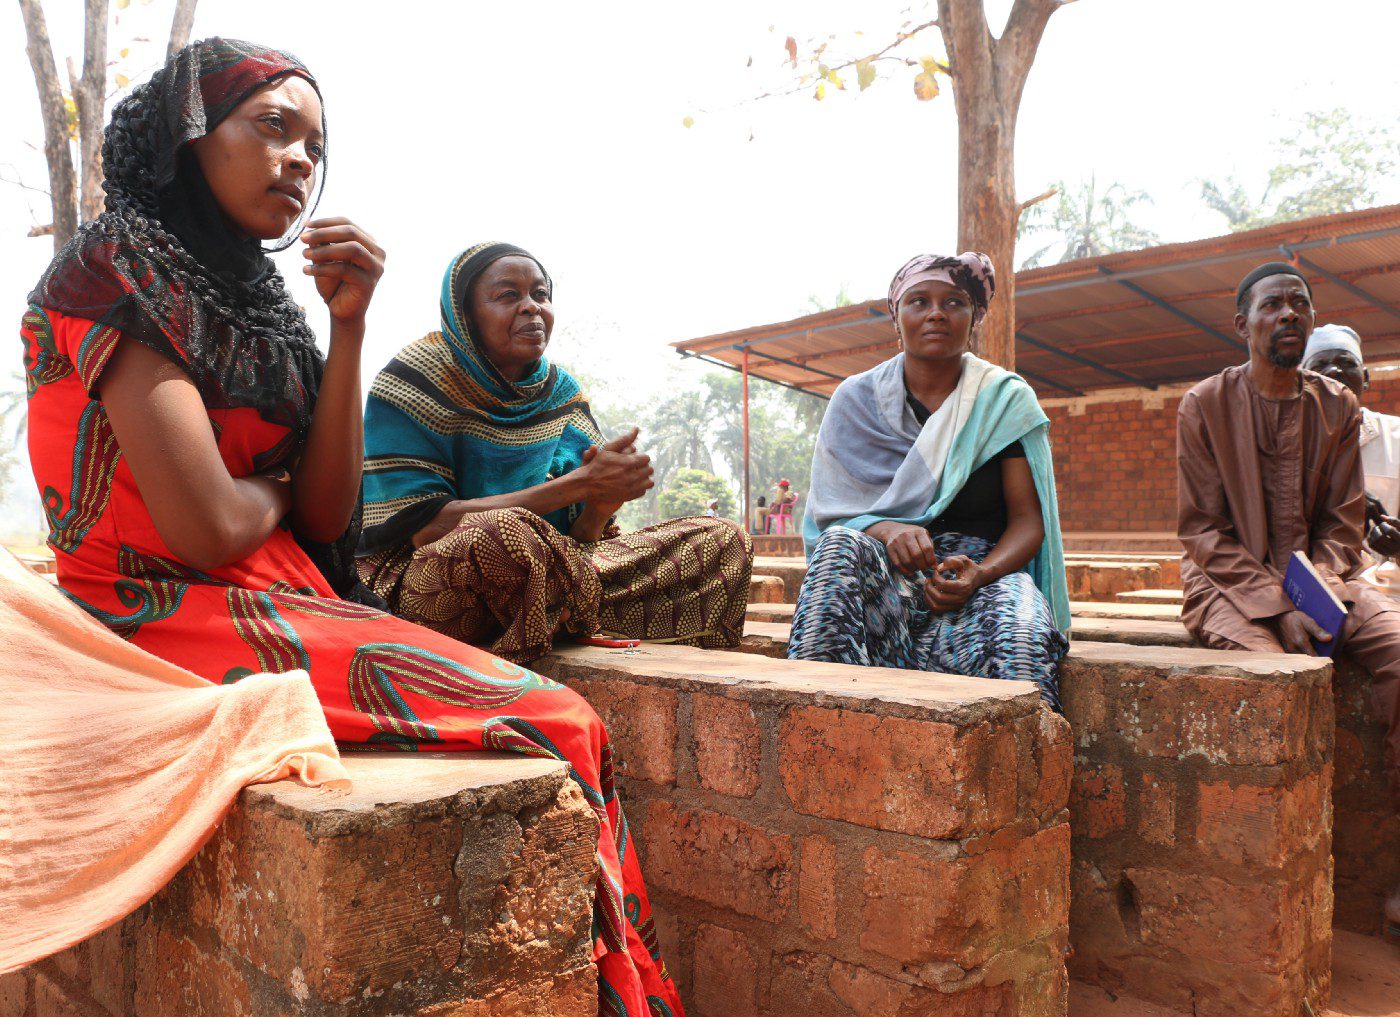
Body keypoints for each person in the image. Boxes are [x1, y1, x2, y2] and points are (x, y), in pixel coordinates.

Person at [19, 39, 682, 1012]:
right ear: (187, 139)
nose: (297, 160)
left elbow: (332, 508)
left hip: (276, 592)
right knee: (563, 721)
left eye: (312, 145)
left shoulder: (263, 304)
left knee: (562, 724)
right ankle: (631, 998)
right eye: (270, 127)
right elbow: (206, 528)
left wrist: (350, 324)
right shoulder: (115, 275)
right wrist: (273, 492)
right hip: (161, 610)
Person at [357, 243, 752, 663]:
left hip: (552, 573)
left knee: (723, 540)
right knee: (498, 534)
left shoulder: (561, 392)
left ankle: (559, 614)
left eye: (540, 295)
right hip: (434, 585)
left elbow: (580, 542)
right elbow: (425, 529)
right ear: (465, 314)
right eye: (508, 295)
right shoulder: (417, 378)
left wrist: (598, 507)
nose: (531, 308)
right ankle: (565, 617)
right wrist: (577, 485)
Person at [1177, 262, 1400, 934]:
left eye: (1300, 304)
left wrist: (1321, 594)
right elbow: (1202, 532)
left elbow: (1343, 523)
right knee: (1281, 682)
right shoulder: (1203, 404)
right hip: (1226, 585)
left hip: (1331, 581)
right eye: (1273, 304)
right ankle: (1263, 902)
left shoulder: (1338, 404)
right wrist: (1279, 605)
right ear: (1241, 323)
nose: (1290, 315)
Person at [788, 252, 1070, 710]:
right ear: (895, 318)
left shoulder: (1001, 400)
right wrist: (886, 529)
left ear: (973, 317)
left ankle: (1012, 769)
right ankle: (816, 735)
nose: (936, 312)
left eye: (954, 302)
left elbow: (1027, 522)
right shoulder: (854, 400)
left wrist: (981, 573)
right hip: (885, 571)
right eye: (918, 301)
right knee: (840, 550)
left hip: (980, 573)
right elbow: (833, 517)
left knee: (1021, 641)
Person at [1301, 324, 1400, 569]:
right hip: (1310, 590)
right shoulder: (1286, 445)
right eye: (1318, 366)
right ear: (1302, 381)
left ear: (1365, 378)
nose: (1334, 370)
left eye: (1346, 363)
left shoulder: (1397, 438)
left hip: (1388, 593)